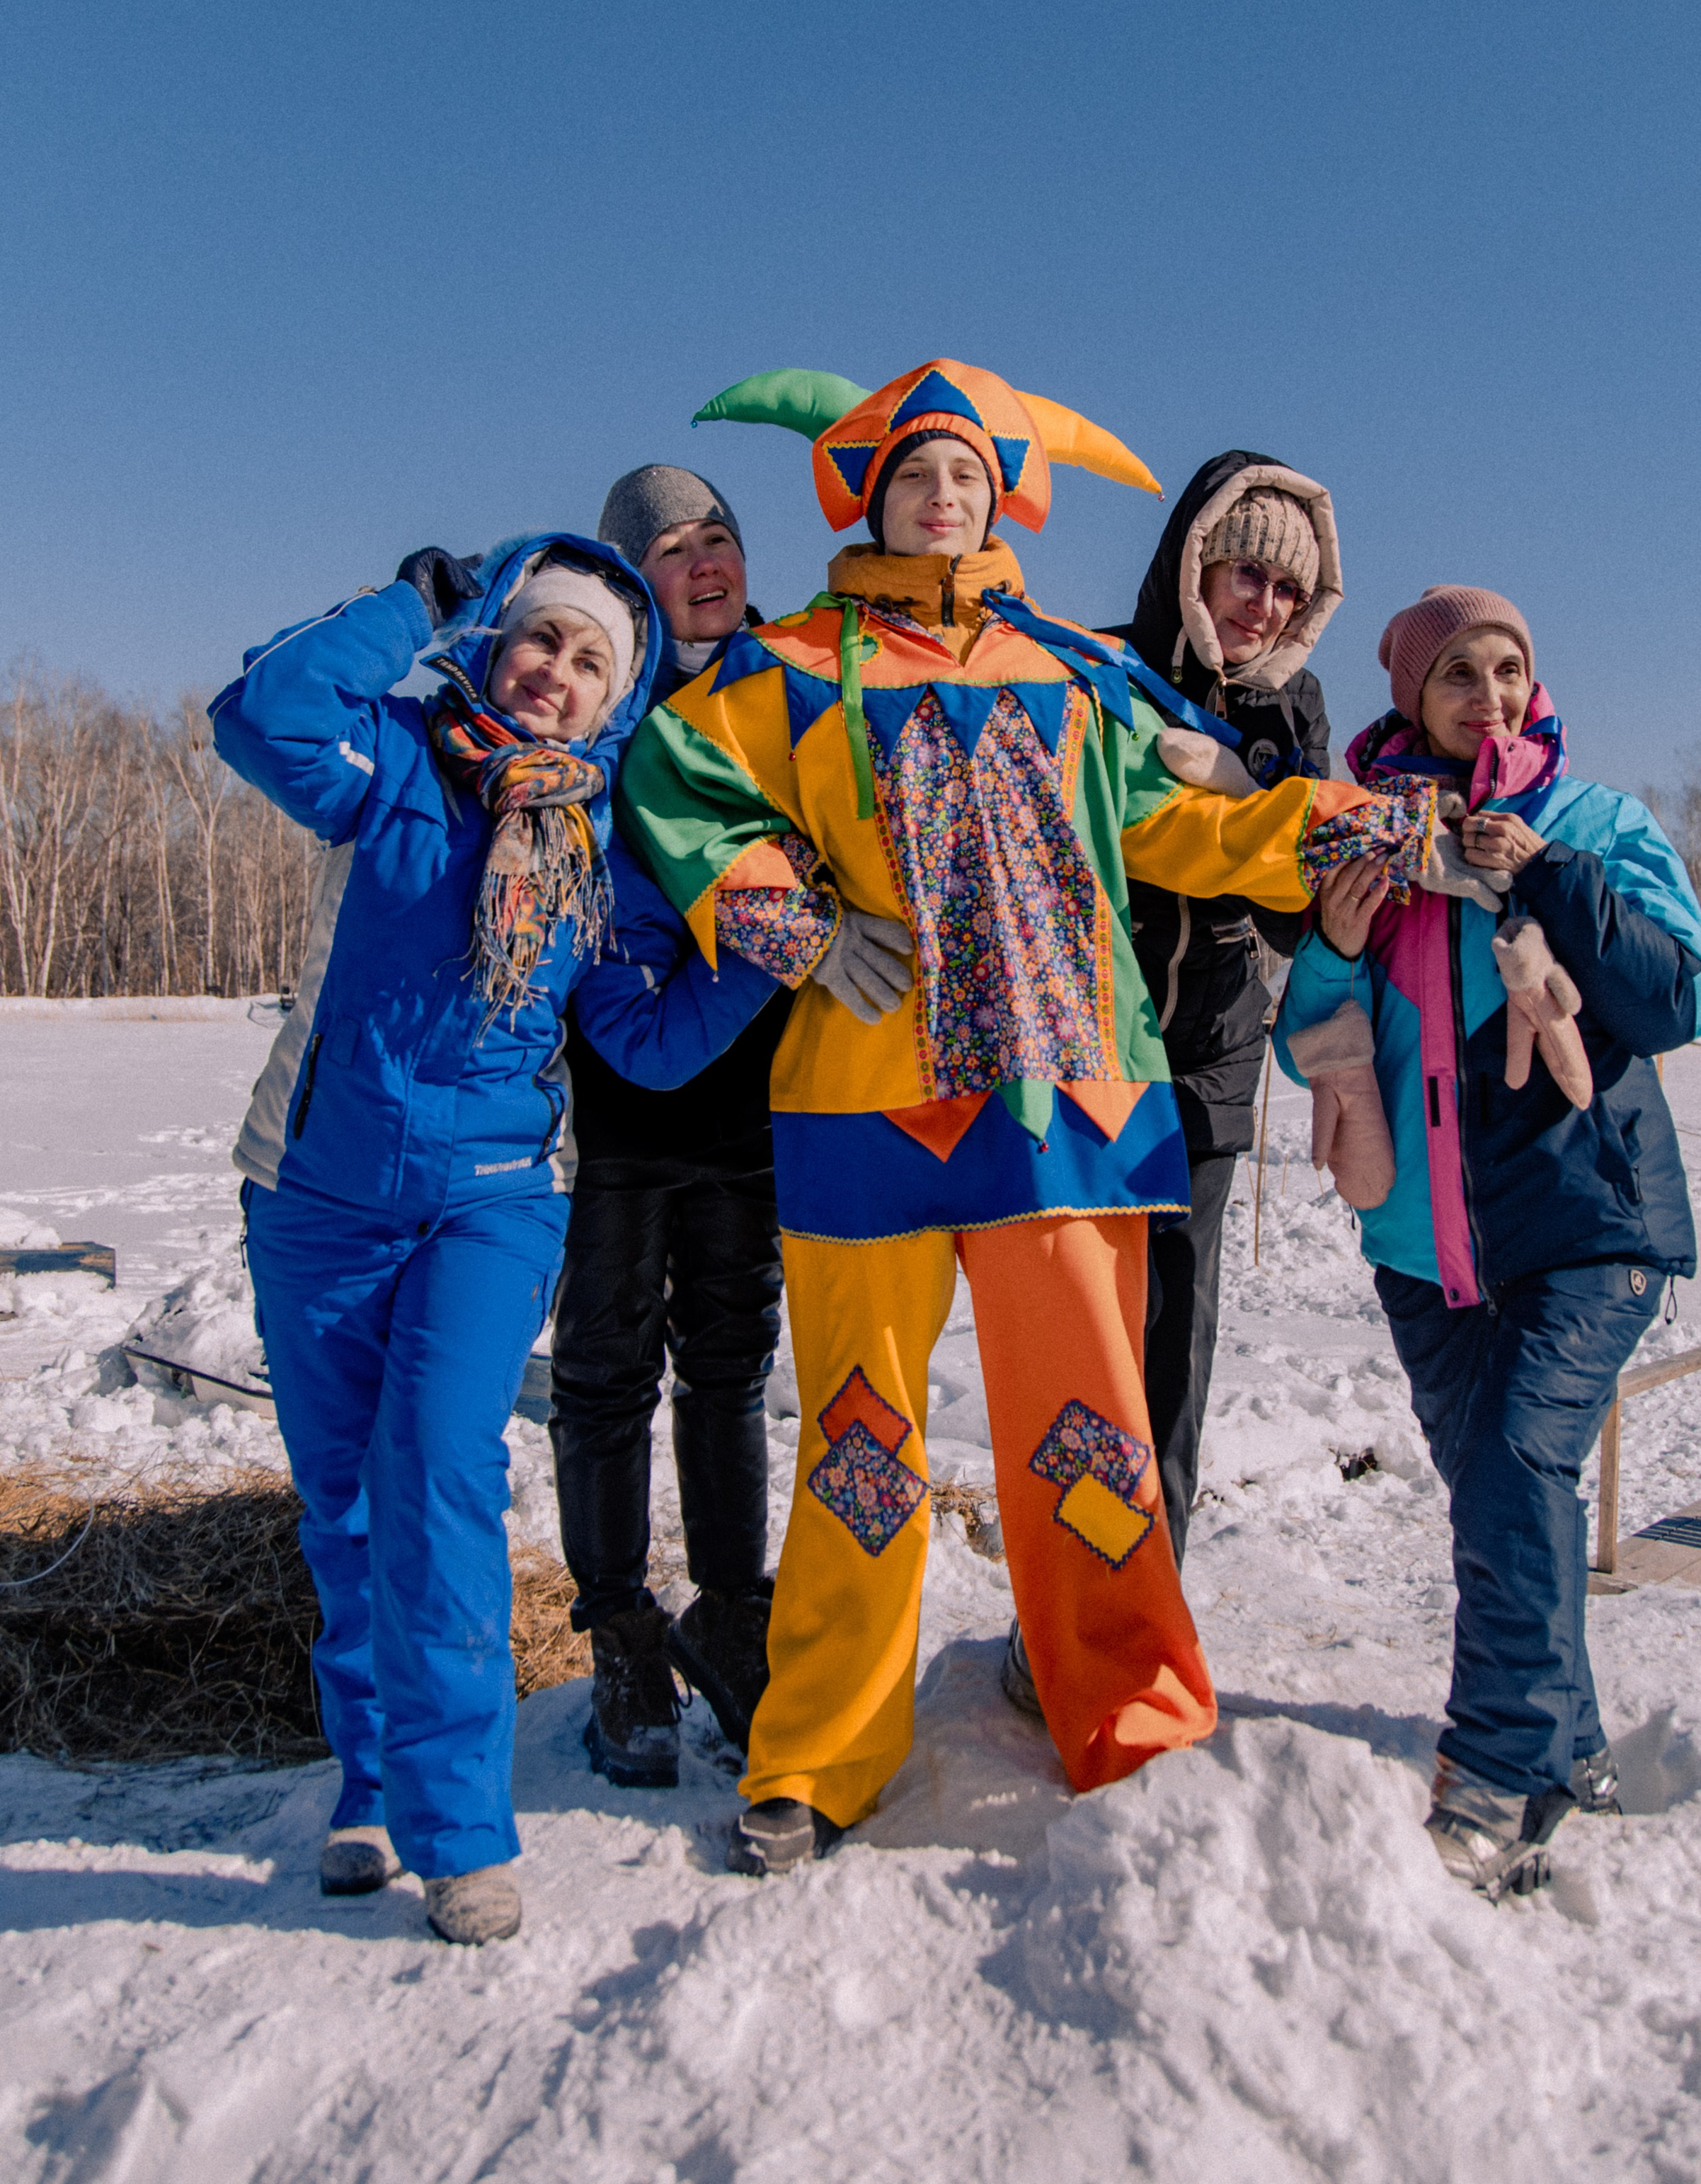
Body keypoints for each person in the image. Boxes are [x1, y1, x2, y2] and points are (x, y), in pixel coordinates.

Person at [619, 360, 1435, 1875]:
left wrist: (1335, 825)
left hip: (1067, 1100)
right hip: (865, 1103)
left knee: (1090, 1428)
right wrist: (791, 921)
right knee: (859, 1438)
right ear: (869, 494)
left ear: (1005, 502)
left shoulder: (1075, 672)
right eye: (917, 475)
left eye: (970, 479)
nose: (944, 499)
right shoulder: (786, 670)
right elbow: (677, 787)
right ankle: (821, 1746)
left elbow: (1184, 824)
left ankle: (1126, 1707)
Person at [214, 535, 776, 1945]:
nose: (556, 673)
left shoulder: (600, 836)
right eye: (540, 638)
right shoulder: (393, 762)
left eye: (591, 661)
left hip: (491, 1199)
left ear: (616, 699)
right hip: (315, 1192)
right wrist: (414, 603)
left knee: (440, 1476)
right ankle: (368, 1782)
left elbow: (641, 1041)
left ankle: (460, 1831)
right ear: (492, 642)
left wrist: (754, 969)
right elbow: (262, 713)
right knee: (342, 1505)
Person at [1274, 585, 1701, 1901]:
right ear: (1411, 695)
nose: (1491, 695)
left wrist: (1549, 876)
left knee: (1521, 1460)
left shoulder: (1593, 823)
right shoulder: (1372, 841)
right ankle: (1573, 1748)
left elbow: (1680, 996)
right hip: (1424, 1249)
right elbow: (1311, 1038)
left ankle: (1495, 1770)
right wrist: (1335, 940)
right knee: (1501, 1499)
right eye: (1459, 672)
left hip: (1586, 1222)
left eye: (1509, 667)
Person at [551, 464, 791, 1785]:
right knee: (604, 1368)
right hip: (625, 1100)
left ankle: (734, 1614)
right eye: (674, 548)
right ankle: (621, 1630)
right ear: (634, 579)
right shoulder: (609, 710)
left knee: (731, 1363)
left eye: (720, 539)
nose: (705, 563)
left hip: (757, 1101)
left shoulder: (792, 688)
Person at [1110, 452, 1341, 1575]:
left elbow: (1305, 914)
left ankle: (1155, 1589)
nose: (1264, 604)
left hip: (1213, 1055)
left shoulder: (1295, 710)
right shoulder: (1104, 671)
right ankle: (1065, 1596)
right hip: (1094, 1049)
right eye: (1246, 572)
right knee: (1085, 1328)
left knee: (1174, 1334)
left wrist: (1252, 798)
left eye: (1289, 588)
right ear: (1195, 563)